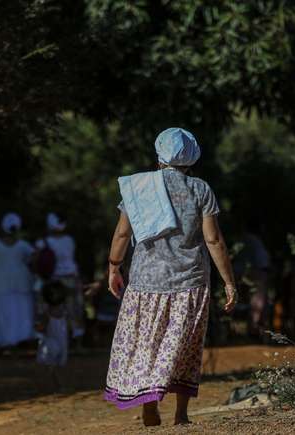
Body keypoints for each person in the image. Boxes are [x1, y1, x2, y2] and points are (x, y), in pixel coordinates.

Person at [103, 128, 237, 427]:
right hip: (189, 283)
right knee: (185, 345)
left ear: (159, 153)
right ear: (192, 155)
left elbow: (123, 233)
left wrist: (114, 267)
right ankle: (181, 412)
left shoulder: (138, 187)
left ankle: (150, 401)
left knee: (148, 344)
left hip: (145, 283)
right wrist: (229, 281)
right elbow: (214, 241)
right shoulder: (200, 189)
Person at [0, 212, 36, 353]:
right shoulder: (24, 246)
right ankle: (10, 342)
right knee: (18, 312)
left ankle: (6, 342)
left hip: (1, 282)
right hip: (18, 282)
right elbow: (31, 261)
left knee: (2, 312)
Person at [36, 213, 85, 349]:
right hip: (71, 278)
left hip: (52, 281)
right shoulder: (69, 240)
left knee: (46, 311)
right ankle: (77, 343)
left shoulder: (42, 243)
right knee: (74, 311)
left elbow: (36, 262)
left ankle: (44, 342)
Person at [35, 281, 69, 389]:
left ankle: (55, 384)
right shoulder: (60, 312)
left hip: (55, 342)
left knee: (52, 366)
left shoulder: (52, 313)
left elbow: (42, 327)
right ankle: (57, 385)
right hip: (57, 342)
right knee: (54, 366)